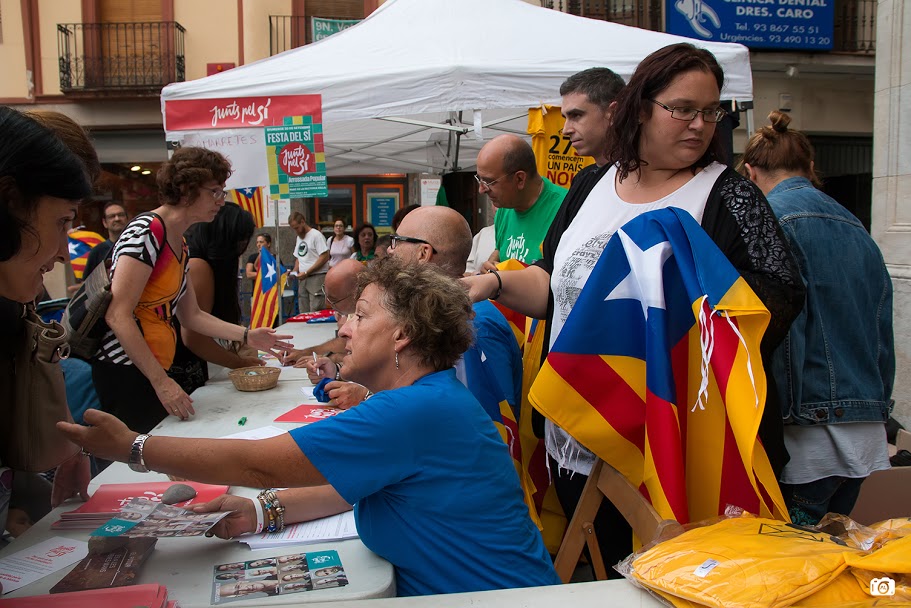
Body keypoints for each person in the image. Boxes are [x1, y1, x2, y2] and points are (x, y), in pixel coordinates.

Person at [463, 42, 805, 577]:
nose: (699, 125)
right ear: (641, 107)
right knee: (596, 576)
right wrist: (492, 284)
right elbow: (553, 285)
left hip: (670, 450)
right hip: (576, 435)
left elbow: (778, 302)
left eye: (710, 111)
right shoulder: (591, 185)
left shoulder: (728, 197)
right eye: (682, 109)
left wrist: (679, 310)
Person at [58, 259, 560, 597]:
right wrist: (261, 511)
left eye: (359, 316)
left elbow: (254, 462)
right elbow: (350, 488)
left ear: (402, 337)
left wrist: (135, 447)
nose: (343, 328)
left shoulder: (408, 412)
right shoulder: (424, 400)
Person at [739, 111, 894, 525]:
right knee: (824, 560)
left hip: (808, 434)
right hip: (864, 430)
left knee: (791, 565)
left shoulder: (772, 221)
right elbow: (882, 330)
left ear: (750, 174)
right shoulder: (857, 227)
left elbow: (790, 331)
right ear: (810, 168)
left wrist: (779, 419)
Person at [91, 147, 293, 434]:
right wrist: (161, 382)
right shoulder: (147, 231)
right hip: (125, 371)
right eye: (215, 191)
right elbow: (118, 316)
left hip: (151, 369)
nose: (221, 201)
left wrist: (248, 335)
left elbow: (192, 316)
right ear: (187, 190)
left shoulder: (180, 243)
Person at [0, 107, 94, 543]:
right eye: (63, 221)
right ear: (10, 202)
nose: (62, 252)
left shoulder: (16, 305)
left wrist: (22, 492)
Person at [168, 204, 262, 394]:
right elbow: (193, 336)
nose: (241, 249)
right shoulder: (198, 266)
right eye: (239, 241)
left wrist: (240, 340)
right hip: (174, 366)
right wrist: (239, 363)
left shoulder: (199, 260)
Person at [475, 134, 567, 269]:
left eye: (489, 182)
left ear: (520, 179)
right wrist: (491, 263)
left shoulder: (566, 208)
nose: (481, 190)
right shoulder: (504, 208)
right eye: (479, 179)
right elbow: (501, 250)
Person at [559, 67, 626, 168]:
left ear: (613, 113)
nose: (566, 130)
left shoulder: (644, 177)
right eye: (565, 118)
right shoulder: (582, 178)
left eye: (576, 115)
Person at [288, 211, 329, 312]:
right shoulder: (299, 237)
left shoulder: (316, 235)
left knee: (316, 307)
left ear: (303, 222)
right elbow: (299, 257)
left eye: (297, 228)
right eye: (294, 229)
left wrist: (308, 272)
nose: (296, 231)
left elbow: (324, 256)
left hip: (316, 276)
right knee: (303, 308)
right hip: (303, 278)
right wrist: (294, 271)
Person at [83, 201, 129, 279]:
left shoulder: (138, 246)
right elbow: (88, 283)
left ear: (127, 219)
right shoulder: (97, 252)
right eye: (112, 216)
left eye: (121, 215)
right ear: (104, 223)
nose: (117, 219)